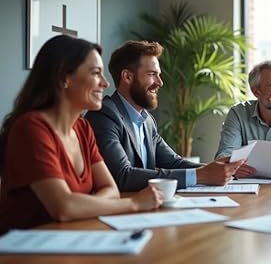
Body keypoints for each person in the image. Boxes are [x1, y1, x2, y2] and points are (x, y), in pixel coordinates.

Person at [0, 35, 163, 234]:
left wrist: (81, 206)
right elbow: (64, 208)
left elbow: (111, 190)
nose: (105, 83)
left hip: (71, 239)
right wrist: (135, 204)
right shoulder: (31, 128)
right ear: (64, 78)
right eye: (96, 73)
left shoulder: (83, 128)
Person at [85, 40, 245, 192]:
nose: (160, 82)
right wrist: (201, 175)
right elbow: (122, 176)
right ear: (127, 77)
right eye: (152, 74)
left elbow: (173, 162)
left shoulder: (147, 120)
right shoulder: (104, 115)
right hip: (120, 212)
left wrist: (218, 169)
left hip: (150, 206)